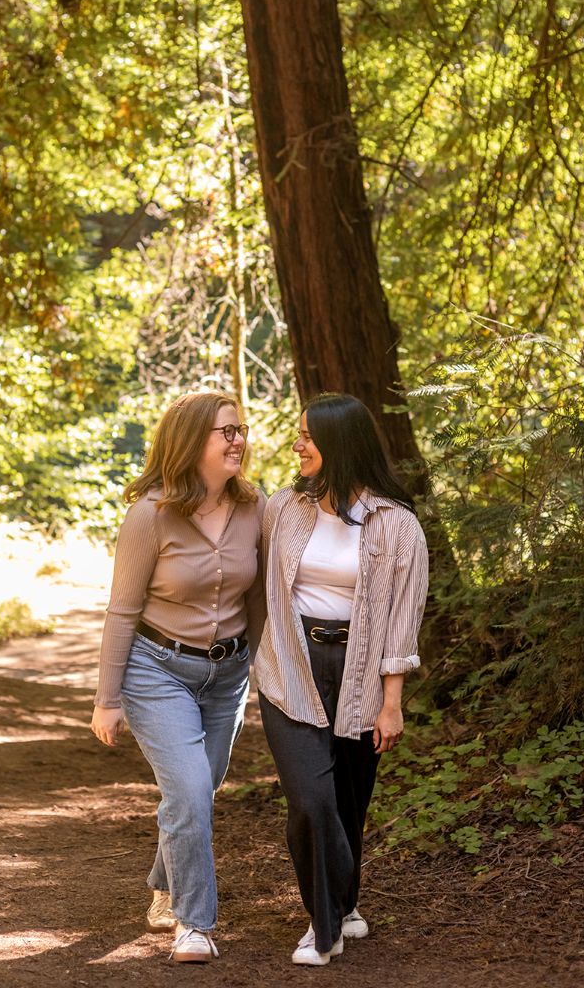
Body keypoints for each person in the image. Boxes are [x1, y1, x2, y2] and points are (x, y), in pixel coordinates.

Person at [90, 391, 265, 964]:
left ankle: (164, 884)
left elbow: (259, 600)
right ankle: (194, 924)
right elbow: (122, 609)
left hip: (228, 674)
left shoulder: (253, 507)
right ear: (192, 442)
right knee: (189, 790)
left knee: (197, 792)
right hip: (156, 670)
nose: (237, 439)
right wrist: (106, 697)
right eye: (224, 432)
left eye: (239, 429)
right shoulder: (150, 516)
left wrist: (267, 671)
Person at [255, 393, 428, 966]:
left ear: (340, 444)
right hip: (291, 665)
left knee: (349, 801)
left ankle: (344, 900)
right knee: (311, 799)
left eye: (307, 435)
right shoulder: (283, 509)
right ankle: (322, 926)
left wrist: (392, 702)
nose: (297, 444)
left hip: (359, 670)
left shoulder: (397, 526)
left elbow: (403, 620)